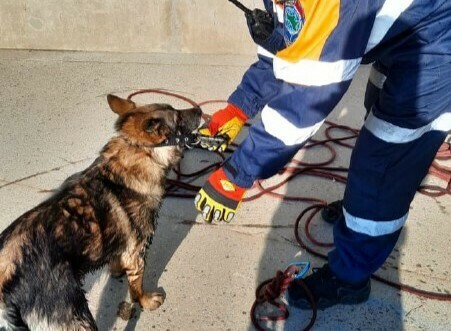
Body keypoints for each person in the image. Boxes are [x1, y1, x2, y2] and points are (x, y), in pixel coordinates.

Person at [195, 0, 451, 310]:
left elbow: (307, 99)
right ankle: (361, 211)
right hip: (408, 30)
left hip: (439, 40)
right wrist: (238, 107)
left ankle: (349, 279)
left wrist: (237, 174)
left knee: (384, 158)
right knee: (377, 105)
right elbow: (290, 44)